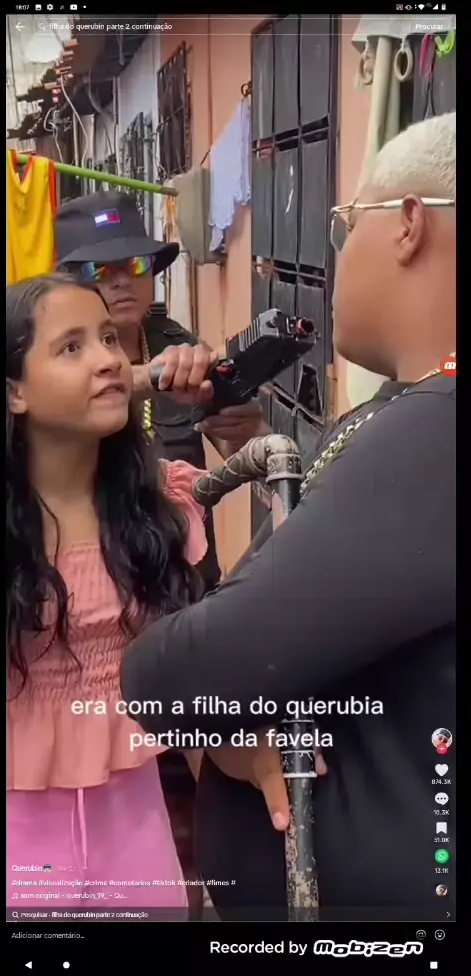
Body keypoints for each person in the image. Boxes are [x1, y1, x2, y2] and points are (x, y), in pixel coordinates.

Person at [122, 112, 456, 921]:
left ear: (408, 224)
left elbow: (186, 674)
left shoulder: (436, 431)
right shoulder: (417, 413)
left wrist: (205, 690)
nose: (340, 253)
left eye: (346, 224)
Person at [55, 190, 269, 909]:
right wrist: (140, 380)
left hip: (184, 606)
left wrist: (245, 431)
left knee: (197, 807)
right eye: (98, 270)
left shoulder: (188, 352)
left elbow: (238, 463)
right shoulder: (46, 373)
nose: (121, 281)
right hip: (89, 634)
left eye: (135, 265)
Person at [6, 273, 213, 916]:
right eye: (71, 347)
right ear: (14, 391)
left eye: (107, 340)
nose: (106, 360)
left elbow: (191, 671)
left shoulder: (160, 510)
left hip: (136, 823)